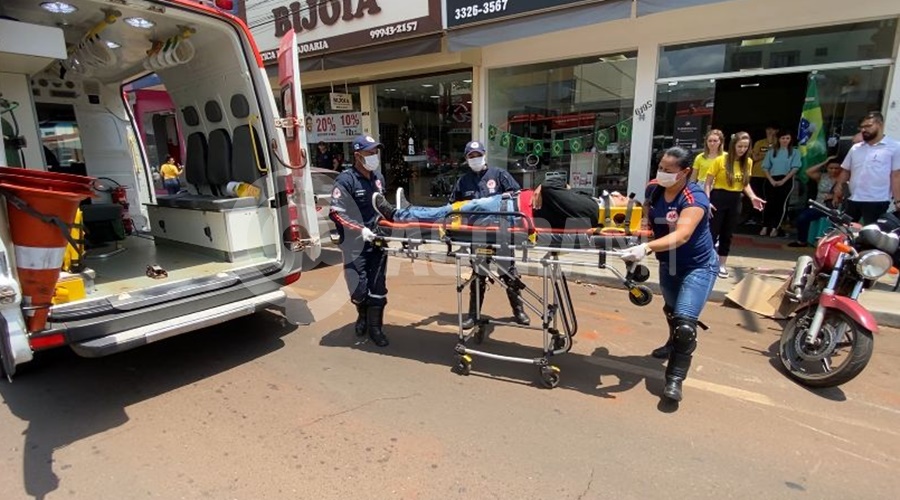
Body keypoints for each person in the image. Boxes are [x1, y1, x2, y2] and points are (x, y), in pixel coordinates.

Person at [619, 146, 718, 402]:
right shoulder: (655, 189)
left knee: (685, 325)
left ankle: (674, 379)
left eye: (668, 170)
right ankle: (673, 343)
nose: (661, 173)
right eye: (660, 167)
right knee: (672, 311)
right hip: (669, 263)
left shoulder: (694, 197)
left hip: (698, 265)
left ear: (685, 172)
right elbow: (649, 218)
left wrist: (646, 247)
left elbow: (682, 234)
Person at [454, 140, 528, 328]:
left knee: (507, 272)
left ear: (484, 155)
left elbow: (517, 195)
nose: (475, 158)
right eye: (471, 156)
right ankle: (473, 314)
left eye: (478, 155)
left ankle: (518, 310)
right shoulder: (463, 181)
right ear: (466, 159)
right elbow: (455, 205)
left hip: (501, 232)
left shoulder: (499, 174)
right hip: (477, 235)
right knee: (479, 273)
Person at [329, 135, 391, 347]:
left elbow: (383, 207)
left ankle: (376, 328)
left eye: (376, 152)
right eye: (369, 152)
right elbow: (337, 214)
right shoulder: (346, 180)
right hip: (355, 243)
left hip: (378, 241)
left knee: (378, 286)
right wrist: (360, 229)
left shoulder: (378, 178)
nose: (374, 156)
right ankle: (362, 314)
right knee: (358, 289)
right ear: (357, 155)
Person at [704, 131, 765, 279]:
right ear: (733, 146)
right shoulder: (720, 160)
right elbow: (708, 183)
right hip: (718, 197)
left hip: (735, 199)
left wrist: (753, 197)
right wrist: (707, 201)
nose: (742, 149)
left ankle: (722, 264)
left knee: (728, 234)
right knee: (712, 232)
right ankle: (706, 263)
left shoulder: (748, 162)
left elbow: (745, 184)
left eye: (745, 146)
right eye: (739, 146)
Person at [834, 112, 900, 224]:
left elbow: (896, 175)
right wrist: (838, 187)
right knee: (844, 231)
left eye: (868, 126)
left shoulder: (894, 147)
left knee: (870, 235)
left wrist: (898, 200)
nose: (864, 130)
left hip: (876, 200)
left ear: (880, 125)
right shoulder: (856, 148)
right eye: (862, 127)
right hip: (853, 199)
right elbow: (846, 170)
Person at [788, 156, 841, 247]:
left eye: (836, 168)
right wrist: (825, 162)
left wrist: (834, 196)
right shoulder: (822, 176)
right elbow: (808, 171)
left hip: (834, 208)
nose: (833, 170)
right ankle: (802, 240)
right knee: (801, 217)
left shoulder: (842, 179)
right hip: (819, 206)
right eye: (831, 168)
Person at [759, 129, 801, 237]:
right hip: (771, 179)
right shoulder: (772, 151)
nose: (785, 140)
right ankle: (765, 226)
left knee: (781, 204)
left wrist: (783, 180)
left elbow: (795, 168)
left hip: (786, 179)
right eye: (783, 138)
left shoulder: (795, 152)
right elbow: (765, 167)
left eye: (787, 138)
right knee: (768, 203)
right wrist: (771, 180)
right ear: (779, 139)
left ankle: (775, 228)